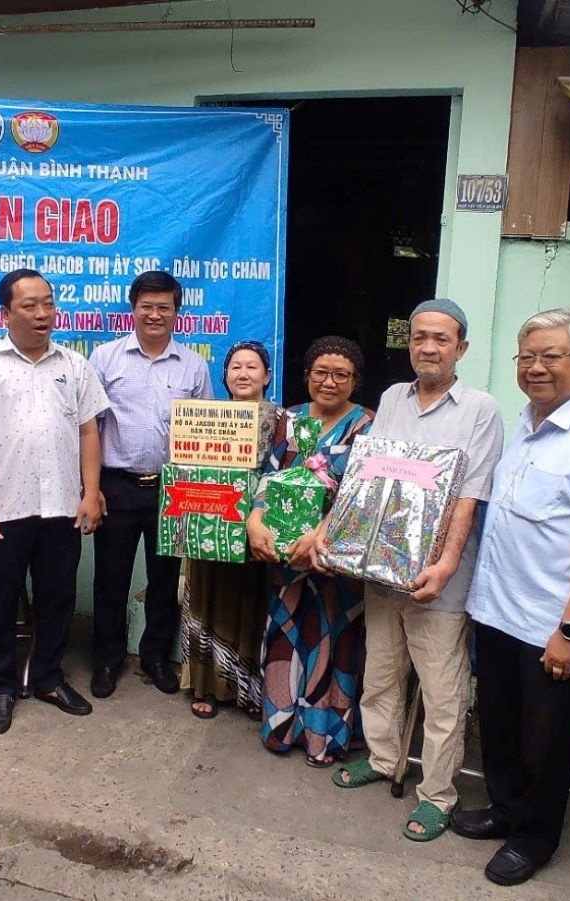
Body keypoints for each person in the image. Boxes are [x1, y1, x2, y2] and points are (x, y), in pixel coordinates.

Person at [456, 309, 570, 886]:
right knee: (501, 726)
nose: (536, 368)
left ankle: (535, 837)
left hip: (553, 625)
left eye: (551, 356)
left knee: (547, 741)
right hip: (500, 610)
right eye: (526, 357)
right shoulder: (528, 420)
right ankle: (506, 810)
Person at [329, 299, 503, 843]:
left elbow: (470, 495)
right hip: (383, 565)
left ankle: (438, 794)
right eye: (421, 337)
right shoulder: (391, 398)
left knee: (442, 689)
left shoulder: (481, 408)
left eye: (442, 339)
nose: (429, 347)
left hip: (436, 576)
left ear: (462, 349)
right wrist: (342, 541)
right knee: (381, 670)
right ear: (411, 344)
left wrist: (449, 561)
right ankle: (383, 759)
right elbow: (371, 479)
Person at [0, 268, 109, 734]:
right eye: (29, 305)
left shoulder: (73, 365)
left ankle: (47, 679)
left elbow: (88, 431)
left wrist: (92, 491)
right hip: (3, 510)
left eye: (49, 303)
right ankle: (0, 687)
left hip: (61, 506)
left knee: (57, 598)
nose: (43, 314)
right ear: (6, 312)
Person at [248, 336, 375, 767]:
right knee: (286, 636)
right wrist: (256, 521)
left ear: (355, 381)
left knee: (332, 638)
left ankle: (325, 737)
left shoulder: (367, 427)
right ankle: (282, 726)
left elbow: (361, 494)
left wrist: (321, 535)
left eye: (341, 375)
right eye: (320, 372)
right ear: (307, 376)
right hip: (284, 557)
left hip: (333, 558)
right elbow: (268, 474)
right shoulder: (289, 418)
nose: (329, 382)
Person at [88, 270, 212, 699]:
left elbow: (204, 437)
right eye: (147, 307)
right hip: (117, 485)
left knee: (165, 578)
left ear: (178, 312)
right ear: (133, 309)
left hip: (172, 488)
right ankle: (107, 657)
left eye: (164, 307)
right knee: (110, 578)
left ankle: (156, 655)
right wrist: (92, 488)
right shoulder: (105, 359)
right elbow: (90, 428)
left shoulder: (194, 365)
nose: (155, 315)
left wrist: (198, 492)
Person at [181, 340, 285, 720]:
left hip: (257, 529)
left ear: (267, 376)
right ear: (224, 375)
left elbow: (287, 476)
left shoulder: (282, 421)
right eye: (235, 367)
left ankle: (250, 692)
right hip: (209, 526)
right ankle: (207, 685)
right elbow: (185, 469)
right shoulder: (204, 417)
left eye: (252, 367)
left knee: (251, 604)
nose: (243, 374)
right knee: (209, 600)